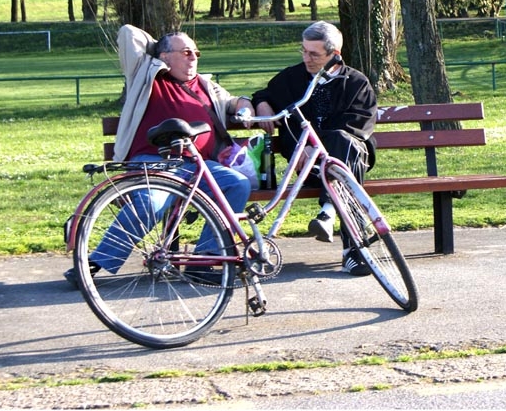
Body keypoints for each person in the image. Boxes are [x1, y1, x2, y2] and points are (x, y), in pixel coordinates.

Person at [64, 25, 254, 287]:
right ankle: (94, 263)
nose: (193, 57)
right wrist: (160, 46)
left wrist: (245, 105)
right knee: (152, 202)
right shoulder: (146, 73)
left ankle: (205, 259)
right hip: (155, 161)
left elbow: (234, 101)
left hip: (198, 165)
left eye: (196, 52)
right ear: (164, 56)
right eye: (186, 52)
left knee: (237, 184)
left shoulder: (206, 85)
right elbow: (128, 33)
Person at [251, 21, 377, 276]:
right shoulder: (292, 78)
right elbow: (264, 94)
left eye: (314, 54)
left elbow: (357, 126)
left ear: (334, 55)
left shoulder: (356, 83)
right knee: (341, 162)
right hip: (308, 166)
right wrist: (263, 104)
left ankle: (329, 212)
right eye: (304, 51)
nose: (306, 58)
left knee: (342, 142)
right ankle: (352, 248)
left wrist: (316, 148)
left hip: (349, 160)